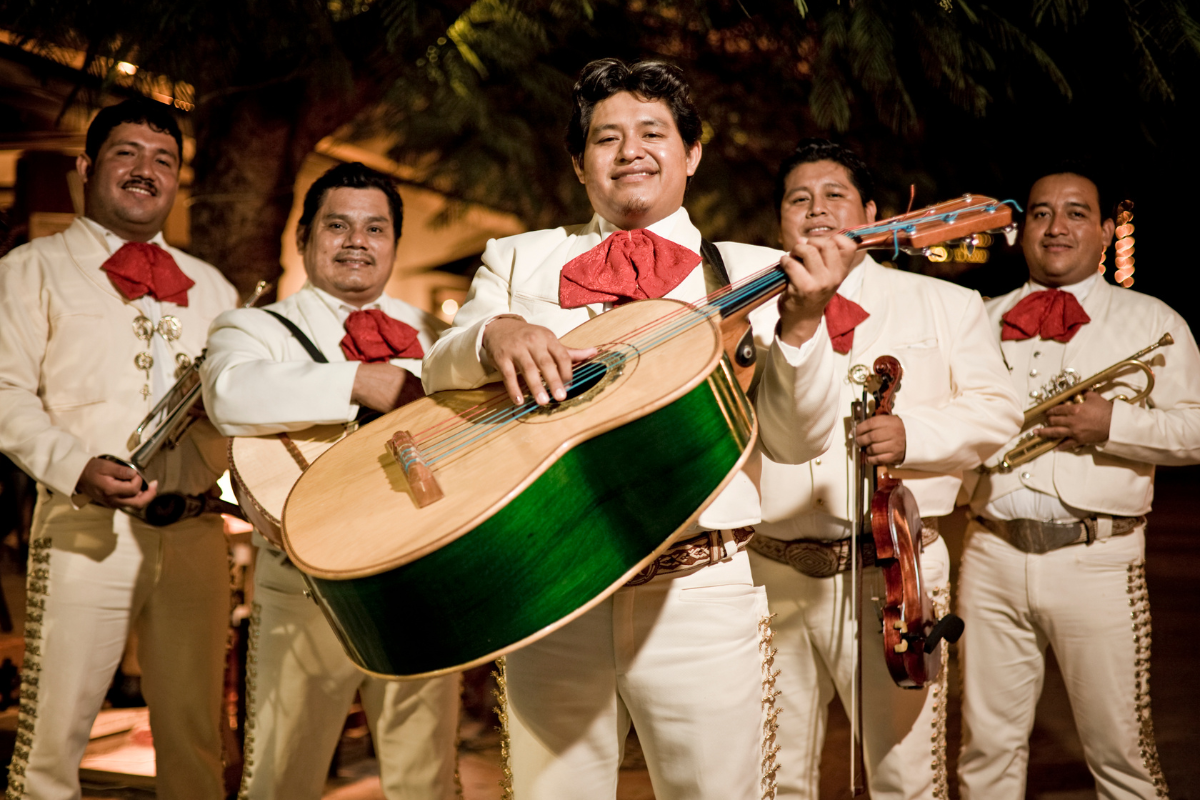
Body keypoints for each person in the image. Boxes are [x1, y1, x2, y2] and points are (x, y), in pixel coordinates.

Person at [421, 58, 854, 800]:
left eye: (654, 132)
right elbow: (439, 368)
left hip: (700, 590)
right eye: (605, 137)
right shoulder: (520, 257)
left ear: (691, 154)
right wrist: (497, 331)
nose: (630, 151)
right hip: (550, 589)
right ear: (579, 162)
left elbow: (796, 439)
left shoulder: (754, 271)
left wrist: (806, 323)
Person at [746, 139, 1022, 800]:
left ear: (870, 211)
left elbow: (999, 413)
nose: (815, 211)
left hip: (892, 573)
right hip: (769, 571)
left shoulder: (944, 305)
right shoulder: (748, 311)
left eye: (833, 195)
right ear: (781, 219)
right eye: (798, 199)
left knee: (906, 776)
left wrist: (914, 434)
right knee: (772, 776)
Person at [0, 98, 239, 800]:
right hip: (85, 529)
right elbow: (4, 391)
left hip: (196, 531)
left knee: (196, 742)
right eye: (126, 153)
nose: (146, 171)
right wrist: (75, 466)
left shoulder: (216, 287)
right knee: (52, 744)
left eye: (164, 160)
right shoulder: (29, 269)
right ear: (85, 167)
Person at [201, 162, 460, 800]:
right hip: (304, 587)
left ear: (394, 243)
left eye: (375, 228)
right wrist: (356, 380)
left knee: (426, 776)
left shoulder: (439, 337)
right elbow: (228, 394)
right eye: (337, 225)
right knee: (281, 774)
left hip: (418, 581)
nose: (356, 241)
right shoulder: (255, 327)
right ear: (303, 239)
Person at [958, 167, 1200, 800]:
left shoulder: (1153, 321)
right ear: (1022, 231)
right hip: (989, 554)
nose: (1056, 226)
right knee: (986, 748)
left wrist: (1111, 422)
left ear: (1103, 231)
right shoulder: (978, 320)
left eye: (1074, 212)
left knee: (1121, 752)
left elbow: (1197, 430)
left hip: (1098, 558)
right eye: (1040, 213)